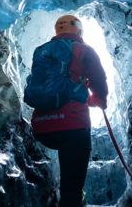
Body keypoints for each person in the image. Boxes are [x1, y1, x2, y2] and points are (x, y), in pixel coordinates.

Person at [29, 15, 108, 207]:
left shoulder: (42, 51)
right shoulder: (84, 50)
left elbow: (55, 87)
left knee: (65, 151)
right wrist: (99, 101)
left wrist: (84, 98)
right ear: (79, 31)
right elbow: (99, 81)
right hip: (73, 129)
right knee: (72, 190)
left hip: (41, 129)